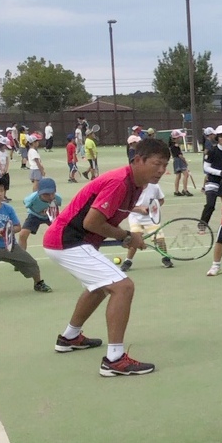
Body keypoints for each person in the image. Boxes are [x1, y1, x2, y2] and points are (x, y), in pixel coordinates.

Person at [43, 139, 171, 377]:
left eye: (165, 165)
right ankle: (114, 359)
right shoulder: (119, 182)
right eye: (157, 164)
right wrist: (127, 236)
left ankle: (69, 337)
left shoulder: (138, 185)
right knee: (123, 287)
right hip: (67, 241)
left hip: (73, 241)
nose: (162, 170)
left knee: (99, 287)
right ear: (137, 160)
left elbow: (107, 216)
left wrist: (129, 236)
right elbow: (91, 222)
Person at [122, 183, 173, 271]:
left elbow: (161, 200)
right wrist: (139, 209)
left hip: (151, 218)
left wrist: (153, 208)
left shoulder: (155, 186)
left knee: (160, 239)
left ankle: (165, 258)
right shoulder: (131, 187)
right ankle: (128, 261)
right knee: (135, 238)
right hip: (135, 217)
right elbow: (126, 205)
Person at [199, 125, 222, 227]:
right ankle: (202, 225)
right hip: (213, 181)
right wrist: (220, 173)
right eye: (221, 136)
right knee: (210, 205)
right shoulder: (212, 151)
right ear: (217, 138)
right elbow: (206, 167)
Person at [17, 178, 63, 250]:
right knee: (23, 234)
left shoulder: (58, 198)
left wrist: (51, 213)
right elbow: (27, 205)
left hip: (50, 216)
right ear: (39, 193)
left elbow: (56, 208)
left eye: (52, 194)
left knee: (62, 232)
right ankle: (21, 254)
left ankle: (63, 249)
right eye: (46, 195)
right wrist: (39, 211)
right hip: (34, 215)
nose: (50, 197)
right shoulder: (32, 198)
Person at [169, 130, 192, 196]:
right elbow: (180, 155)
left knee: (178, 176)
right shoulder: (175, 145)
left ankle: (176, 191)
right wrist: (185, 161)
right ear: (176, 138)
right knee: (186, 174)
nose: (181, 138)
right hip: (179, 160)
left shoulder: (172, 145)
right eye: (180, 137)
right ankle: (185, 190)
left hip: (175, 161)